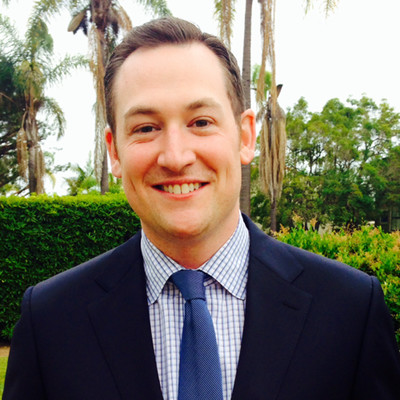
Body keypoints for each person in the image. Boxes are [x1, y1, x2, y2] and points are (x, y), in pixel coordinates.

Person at [3, 17, 400, 400]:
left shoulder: (349, 310)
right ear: (115, 152)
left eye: (201, 122)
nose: (176, 157)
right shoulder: (51, 321)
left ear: (245, 136)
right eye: (146, 128)